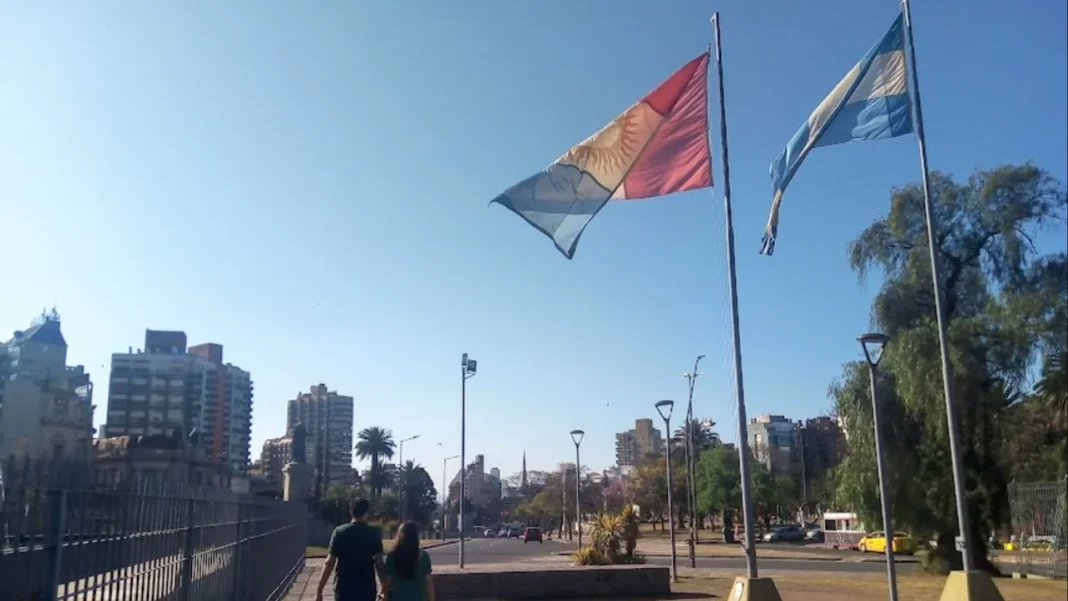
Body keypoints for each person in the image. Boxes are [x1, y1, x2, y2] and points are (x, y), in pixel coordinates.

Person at [316, 498, 385, 601]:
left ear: (351, 512)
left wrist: (319, 591)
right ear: (366, 512)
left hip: (343, 589)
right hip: (366, 589)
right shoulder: (374, 534)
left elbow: (329, 562)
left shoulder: (339, 532)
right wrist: (384, 589)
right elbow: (379, 564)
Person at [381, 521, 435, 601]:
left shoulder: (392, 556)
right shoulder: (424, 557)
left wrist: (385, 597)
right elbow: (428, 583)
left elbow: (387, 582)